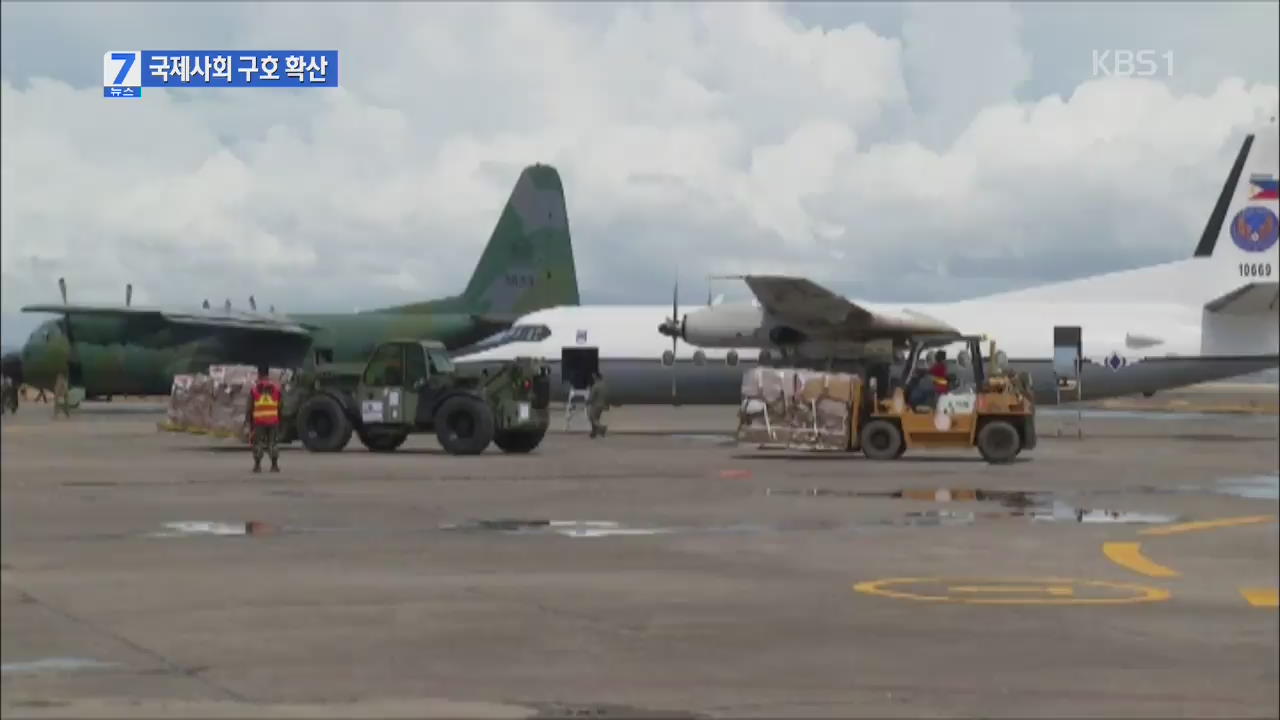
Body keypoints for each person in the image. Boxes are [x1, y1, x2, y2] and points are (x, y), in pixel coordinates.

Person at [246, 365, 282, 473]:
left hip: (259, 421)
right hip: (273, 420)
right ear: (268, 374)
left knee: (258, 443)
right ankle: (274, 466)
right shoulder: (276, 389)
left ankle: (257, 466)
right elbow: (281, 405)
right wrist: (279, 417)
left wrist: (249, 421)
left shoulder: (255, 390)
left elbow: (250, 407)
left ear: (258, 374)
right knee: (273, 443)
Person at [587, 371, 609, 438]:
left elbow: (591, 396)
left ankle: (602, 428)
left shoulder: (596, 386)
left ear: (597, 378)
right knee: (596, 418)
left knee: (592, 418)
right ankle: (594, 433)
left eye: (594, 377)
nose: (593, 378)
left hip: (596, 405)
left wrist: (587, 402)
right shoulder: (604, 385)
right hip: (602, 404)